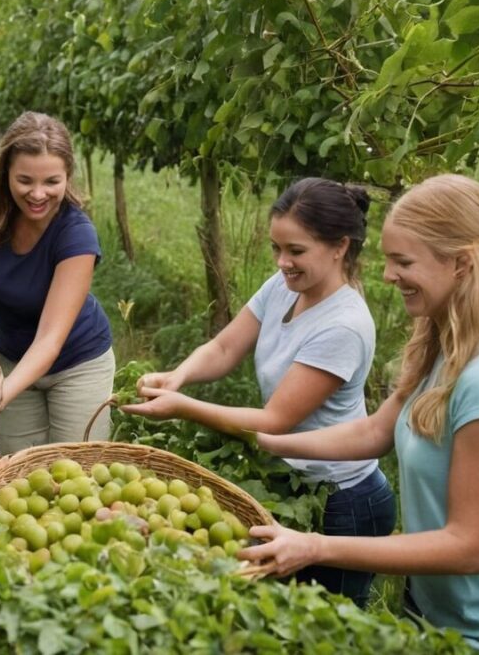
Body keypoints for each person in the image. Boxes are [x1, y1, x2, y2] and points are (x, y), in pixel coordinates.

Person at [239, 174, 479, 654]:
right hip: (441, 617)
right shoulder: (444, 347)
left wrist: (315, 545)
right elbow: (373, 432)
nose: (387, 275)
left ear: (462, 264)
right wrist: (260, 440)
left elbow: (469, 546)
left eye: (403, 261)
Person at [123, 177, 396, 607]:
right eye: (277, 249)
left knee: (326, 627)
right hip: (295, 481)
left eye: (296, 251)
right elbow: (225, 346)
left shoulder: (343, 325)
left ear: (340, 246)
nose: (283, 262)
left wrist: (183, 408)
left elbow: (275, 421)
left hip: (342, 501)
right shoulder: (284, 287)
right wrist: (179, 376)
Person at [0, 111, 114, 454]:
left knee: (73, 469)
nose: (38, 194)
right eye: (25, 180)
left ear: (68, 177)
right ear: (6, 175)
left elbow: (49, 341)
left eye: (52, 182)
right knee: (16, 468)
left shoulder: (76, 236)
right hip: (13, 359)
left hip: (77, 366)